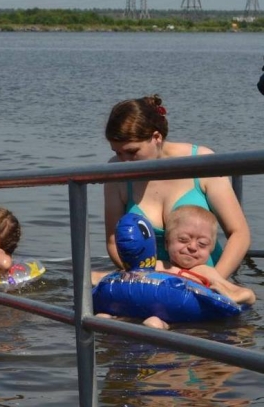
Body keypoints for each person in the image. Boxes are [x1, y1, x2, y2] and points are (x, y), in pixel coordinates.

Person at [104, 94, 250, 279]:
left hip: (207, 280)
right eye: (117, 153)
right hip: (150, 282)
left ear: (156, 137)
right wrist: (142, 276)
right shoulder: (115, 171)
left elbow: (239, 233)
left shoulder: (202, 161)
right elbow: (113, 242)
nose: (124, 161)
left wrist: (213, 282)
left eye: (132, 152)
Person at [97, 207, 256, 330]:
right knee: (102, 316)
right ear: (166, 243)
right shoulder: (156, 265)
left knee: (154, 323)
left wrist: (228, 295)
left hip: (179, 322)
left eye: (202, 244)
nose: (192, 247)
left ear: (211, 249)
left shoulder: (204, 271)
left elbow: (248, 296)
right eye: (183, 240)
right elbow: (124, 279)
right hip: (140, 310)